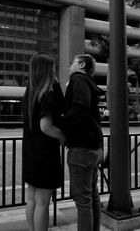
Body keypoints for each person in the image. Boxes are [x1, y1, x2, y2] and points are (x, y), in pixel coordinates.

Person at [57, 54, 105, 231]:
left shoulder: (77, 78)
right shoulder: (89, 83)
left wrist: (62, 121)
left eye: (73, 62)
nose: (70, 66)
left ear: (82, 65)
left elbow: (80, 106)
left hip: (81, 149)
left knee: (83, 201)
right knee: (92, 197)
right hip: (94, 148)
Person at [22, 53, 66, 231]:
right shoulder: (47, 94)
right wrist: (62, 135)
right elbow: (46, 126)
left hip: (30, 151)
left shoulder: (29, 93)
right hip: (45, 154)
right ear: (47, 70)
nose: (55, 69)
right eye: (53, 67)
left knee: (32, 198)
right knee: (43, 204)